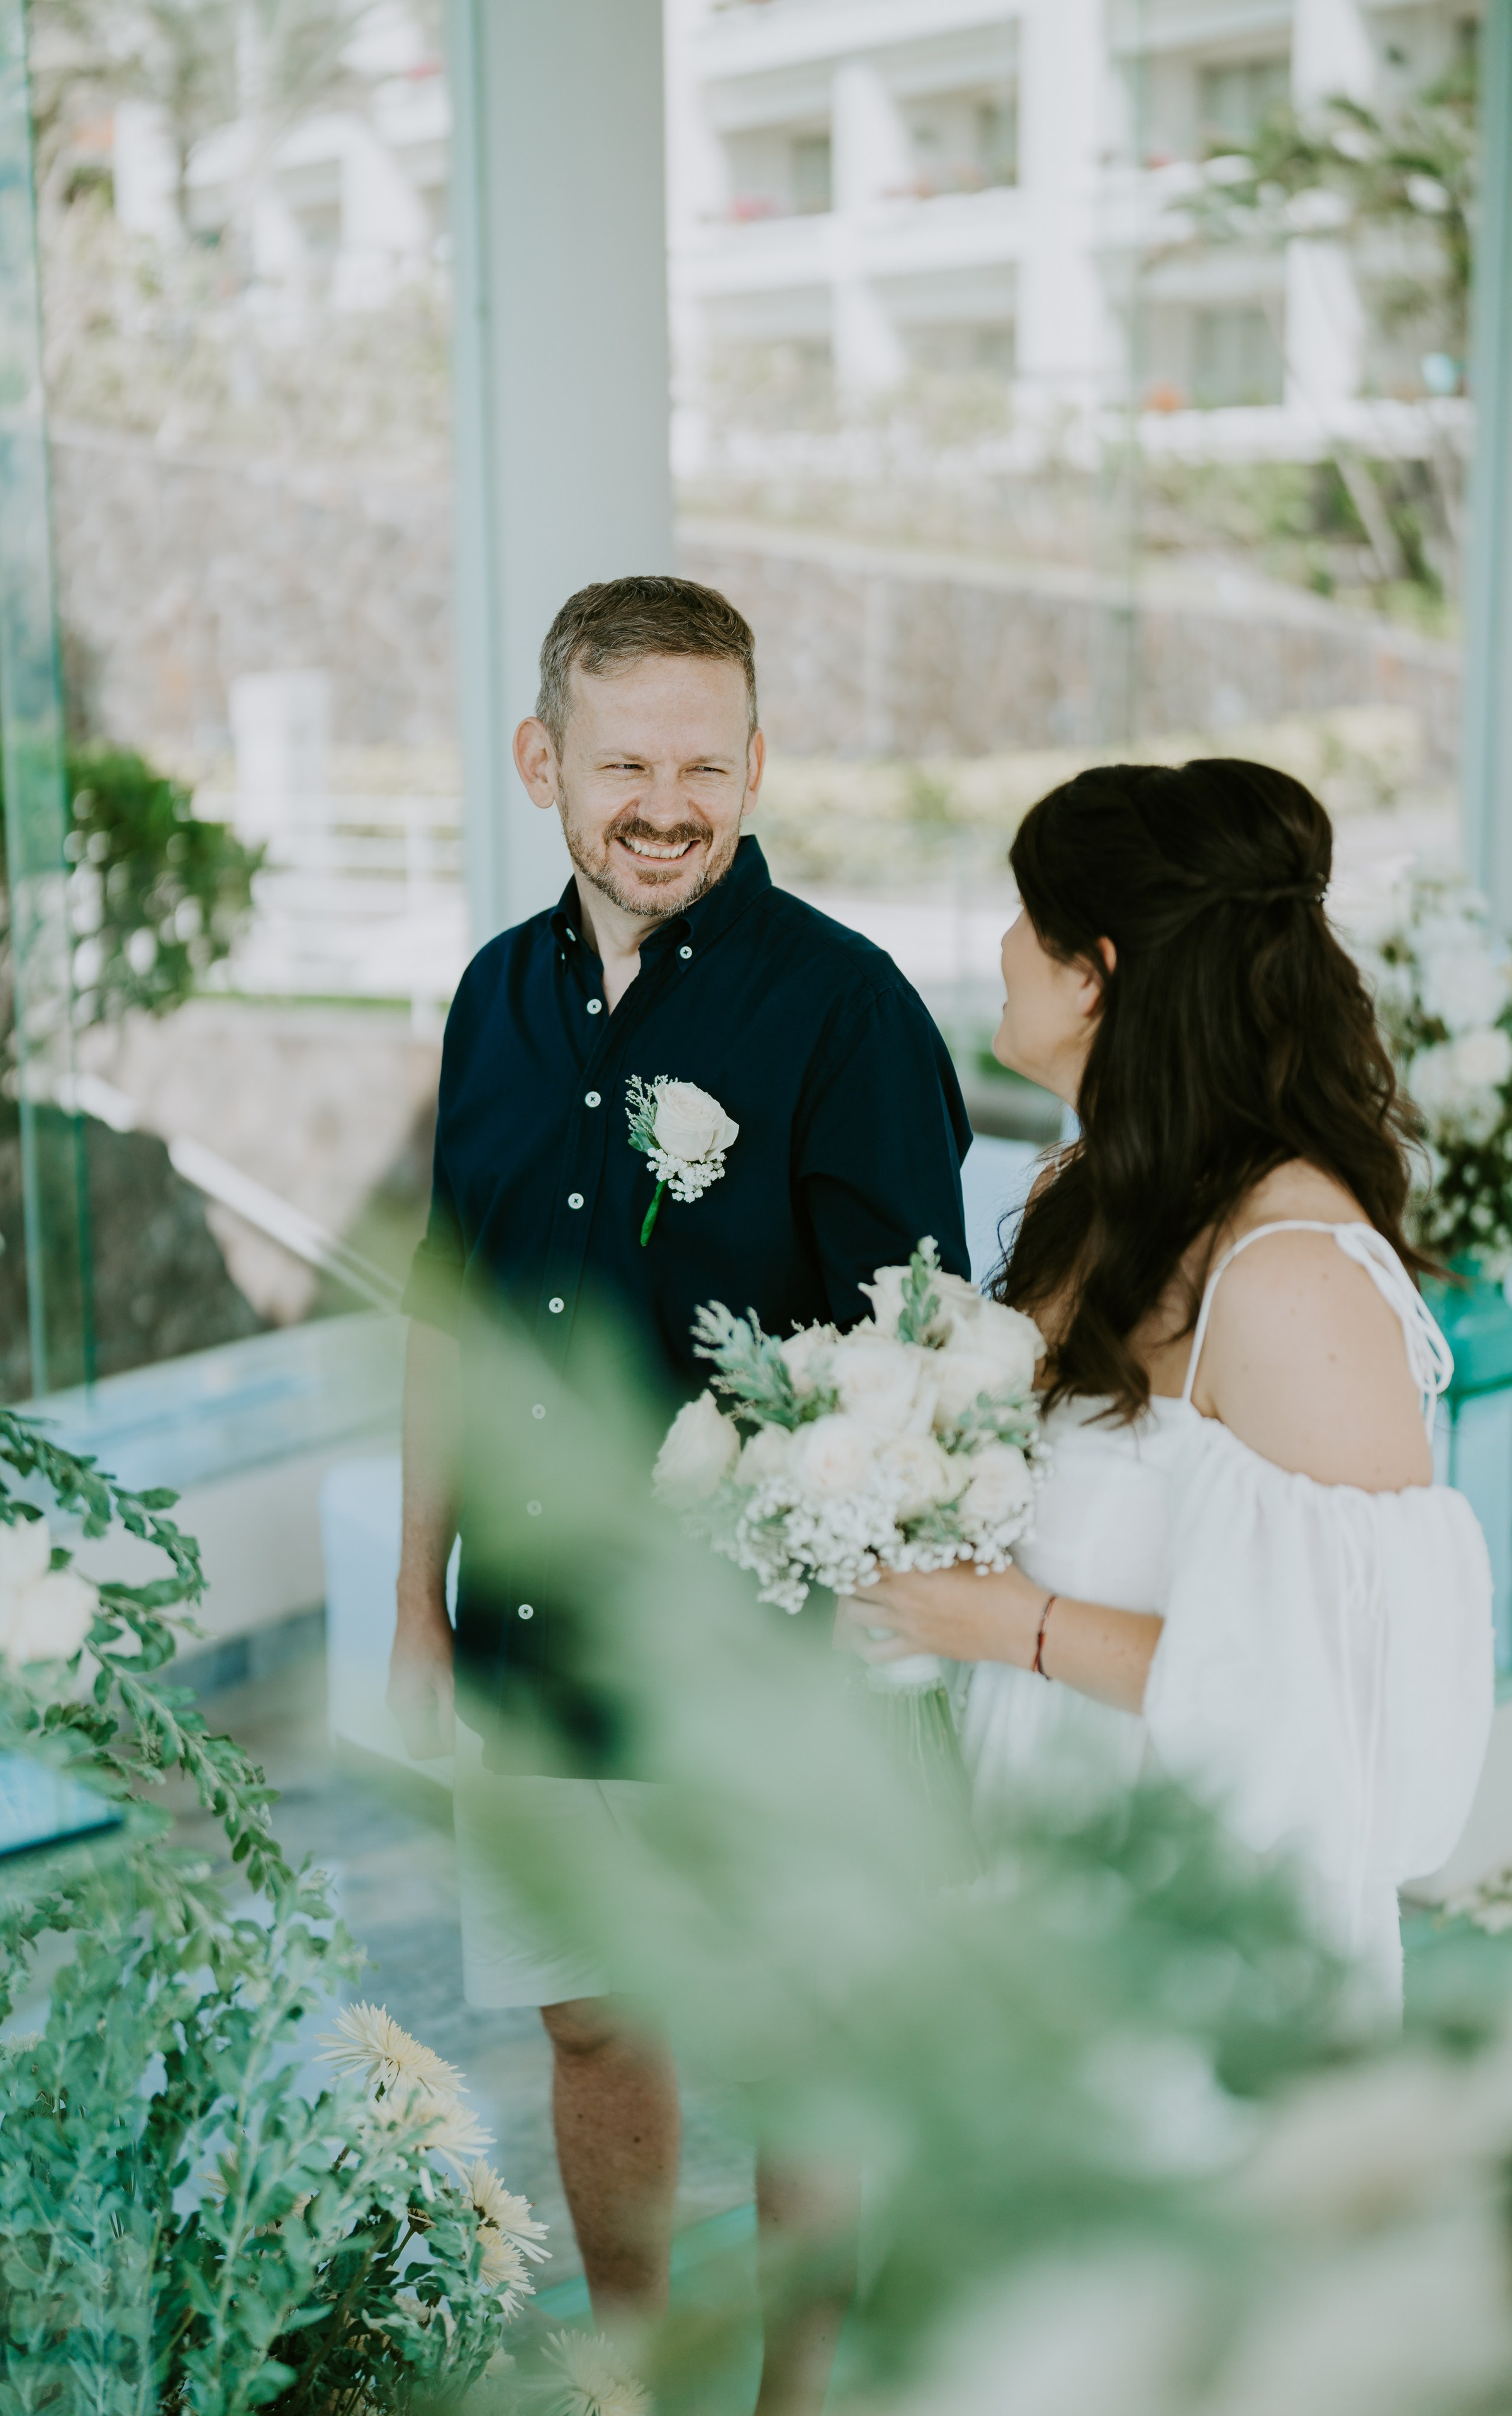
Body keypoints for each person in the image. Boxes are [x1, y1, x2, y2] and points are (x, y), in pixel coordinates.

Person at [388, 574, 972, 2407]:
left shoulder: (848, 1012)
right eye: (623, 759)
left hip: (764, 1646)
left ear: (757, 763)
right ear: (539, 761)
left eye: (703, 763)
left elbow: (918, 1356)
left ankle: (803, 2386)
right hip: (536, 1637)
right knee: (589, 2018)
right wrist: (417, 1597)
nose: (665, 801)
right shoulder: (495, 993)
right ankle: (633, 2372)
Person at [839, 757, 1494, 2011]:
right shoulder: (1072, 1196)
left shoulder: (1289, 1276)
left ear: (1094, 973)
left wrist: (1001, 1625)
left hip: (1204, 1946)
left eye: (1020, 920)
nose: (996, 947)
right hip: (1021, 1862)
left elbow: (1340, 1697)